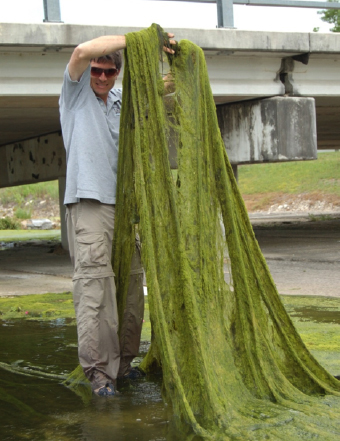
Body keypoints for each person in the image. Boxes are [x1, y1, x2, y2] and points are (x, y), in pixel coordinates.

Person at [59, 32, 175, 396]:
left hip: (126, 209)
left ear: (118, 74)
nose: (102, 78)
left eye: (110, 73)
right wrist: (137, 38)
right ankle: (99, 374)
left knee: (130, 290)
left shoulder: (124, 100)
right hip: (89, 203)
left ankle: (123, 367)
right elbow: (80, 52)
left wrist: (172, 54)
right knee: (96, 288)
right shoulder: (75, 95)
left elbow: (165, 90)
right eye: (98, 70)